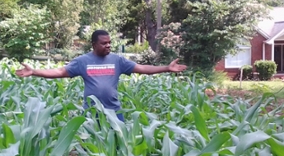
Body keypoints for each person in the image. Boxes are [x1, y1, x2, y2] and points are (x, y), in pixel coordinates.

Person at [15, 29, 187, 121]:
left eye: (110, 43)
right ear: (94, 44)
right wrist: (35, 71)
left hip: (114, 111)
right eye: (104, 43)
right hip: (92, 113)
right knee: (92, 149)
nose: (108, 46)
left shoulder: (117, 60)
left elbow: (142, 68)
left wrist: (166, 68)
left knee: (117, 146)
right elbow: (60, 72)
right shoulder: (83, 61)